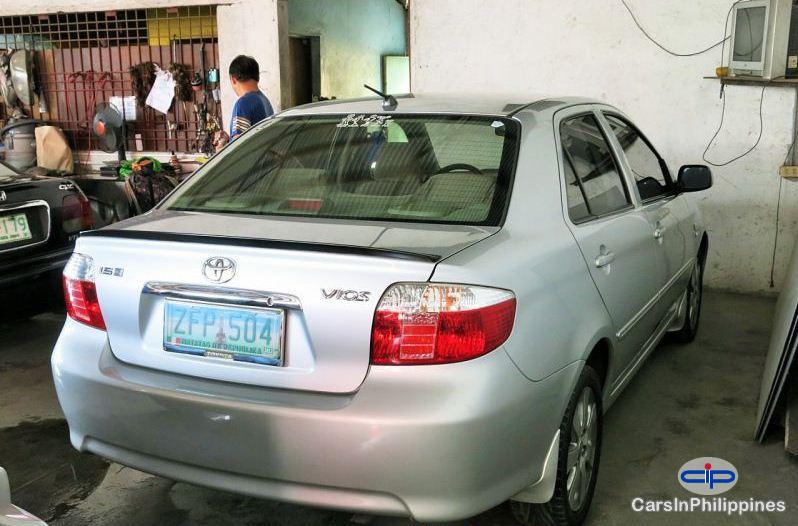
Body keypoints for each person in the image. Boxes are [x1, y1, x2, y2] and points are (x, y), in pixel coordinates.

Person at [228, 55, 274, 140]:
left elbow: (239, 143)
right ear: (257, 77)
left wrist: (223, 147)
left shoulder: (243, 103)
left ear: (233, 79)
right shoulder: (265, 100)